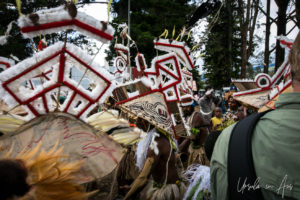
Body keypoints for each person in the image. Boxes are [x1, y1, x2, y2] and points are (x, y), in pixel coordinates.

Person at [210, 32, 300, 199]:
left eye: (232, 102)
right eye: (229, 102)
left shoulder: (228, 142)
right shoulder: (230, 137)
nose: (230, 103)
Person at [123, 128, 186, 200]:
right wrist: (132, 187)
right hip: (164, 185)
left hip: (168, 192)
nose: (137, 121)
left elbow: (143, 177)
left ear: (148, 124)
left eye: (141, 119)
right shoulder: (162, 138)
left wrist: (127, 197)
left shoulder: (157, 143)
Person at [179, 102, 210, 167]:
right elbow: (185, 133)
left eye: (187, 107)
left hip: (201, 150)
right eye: (183, 107)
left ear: (192, 106)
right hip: (193, 148)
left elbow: (193, 136)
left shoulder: (197, 116)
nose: (185, 109)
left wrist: (180, 148)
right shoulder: (188, 116)